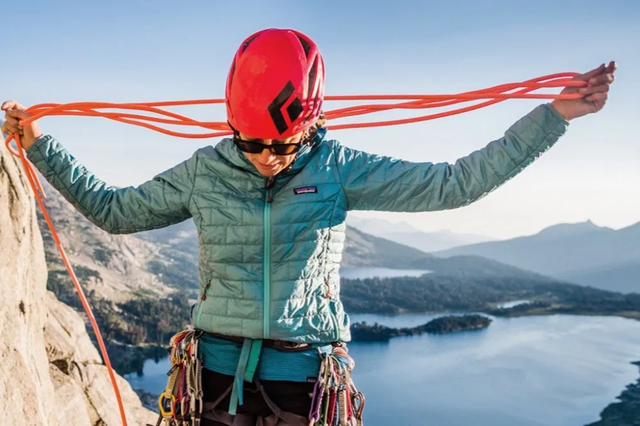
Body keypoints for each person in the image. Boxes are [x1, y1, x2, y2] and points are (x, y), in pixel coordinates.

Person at [2, 28, 615, 426]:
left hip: (304, 386)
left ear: (309, 121)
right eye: (252, 142)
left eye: (281, 143)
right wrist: (42, 145)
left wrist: (554, 116)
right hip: (215, 382)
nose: (266, 155)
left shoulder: (339, 167)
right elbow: (115, 212)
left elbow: (454, 184)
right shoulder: (204, 170)